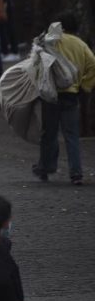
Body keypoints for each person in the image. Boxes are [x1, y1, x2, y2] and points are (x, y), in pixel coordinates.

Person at [33, 15, 95, 185]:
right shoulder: (81, 45)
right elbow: (92, 64)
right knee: (72, 135)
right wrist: (85, 86)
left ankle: (45, 168)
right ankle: (76, 173)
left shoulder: (53, 40)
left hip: (51, 94)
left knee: (49, 134)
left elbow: (37, 59)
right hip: (71, 94)